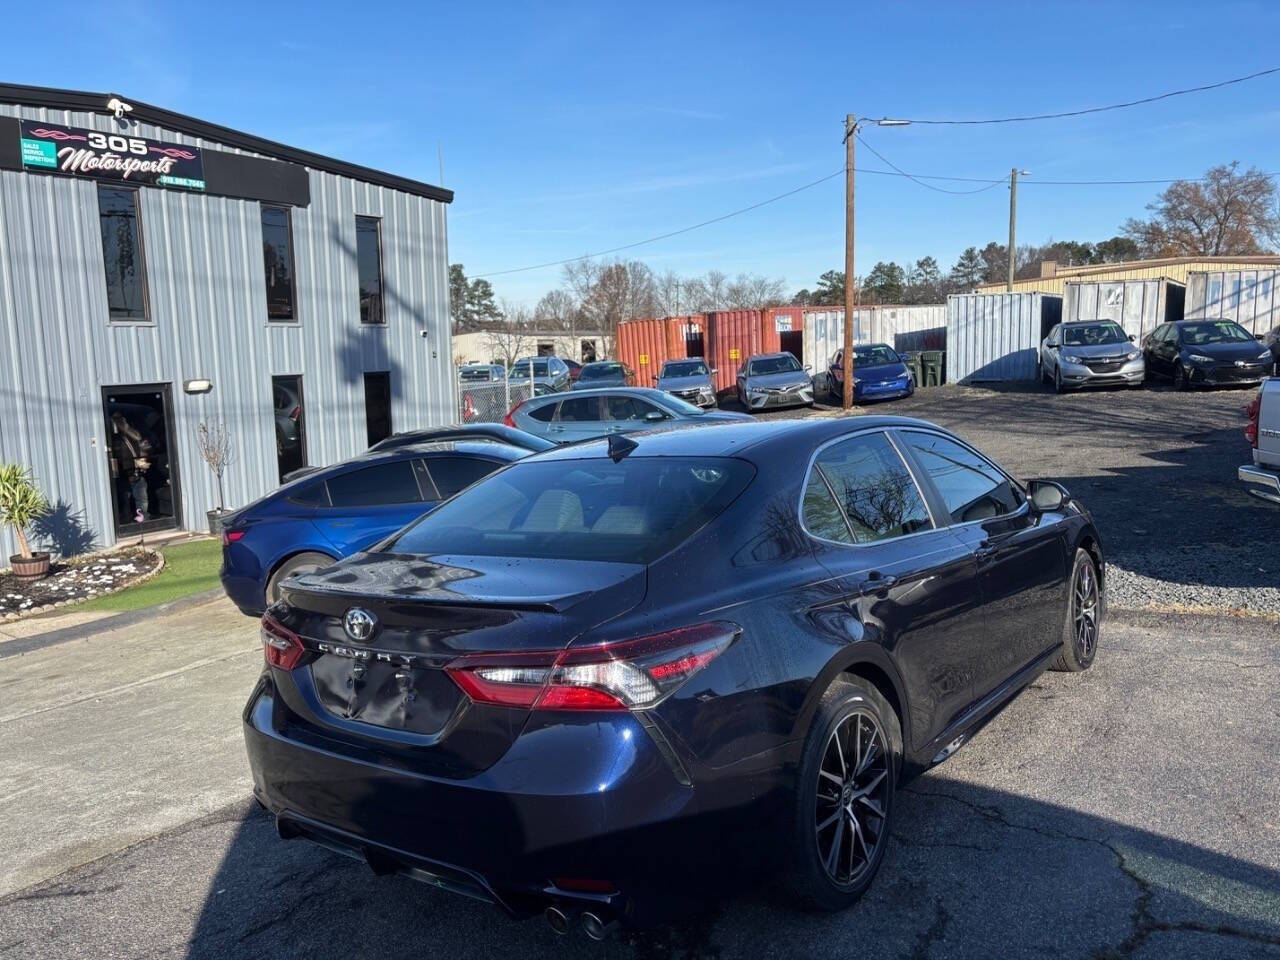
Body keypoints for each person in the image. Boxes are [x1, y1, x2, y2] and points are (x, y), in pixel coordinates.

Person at [109, 411, 153, 523]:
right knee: (126, 500)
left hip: (136, 473)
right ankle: (127, 520)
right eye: (118, 420)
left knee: (141, 498)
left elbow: (144, 449)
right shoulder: (114, 439)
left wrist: (142, 462)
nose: (122, 422)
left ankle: (143, 519)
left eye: (122, 420)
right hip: (124, 475)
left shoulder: (133, 436)